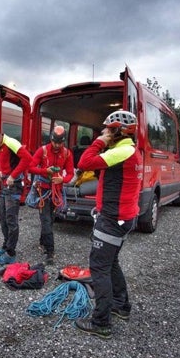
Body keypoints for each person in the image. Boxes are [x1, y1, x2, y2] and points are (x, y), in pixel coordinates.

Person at [73, 110, 143, 339]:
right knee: (111, 263)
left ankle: (101, 322)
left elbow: (85, 162)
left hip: (113, 219)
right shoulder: (126, 151)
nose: (102, 132)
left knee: (99, 267)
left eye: (105, 129)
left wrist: (98, 142)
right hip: (122, 217)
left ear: (116, 131)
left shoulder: (122, 151)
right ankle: (121, 305)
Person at [0, 129, 32, 265]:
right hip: (4, 185)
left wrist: (13, 175)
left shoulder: (11, 143)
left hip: (14, 185)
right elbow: (3, 162)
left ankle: (11, 254)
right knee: (2, 216)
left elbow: (28, 158)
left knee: (11, 219)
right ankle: (6, 246)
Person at [28, 126, 74, 265]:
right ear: (51, 139)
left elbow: (71, 173)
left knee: (51, 220)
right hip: (43, 192)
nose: (57, 145)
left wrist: (63, 180)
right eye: (55, 142)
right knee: (46, 221)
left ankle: (43, 241)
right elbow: (31, 167)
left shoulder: (67, 153)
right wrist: (44, 171)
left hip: (57, 192)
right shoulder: (42, 151)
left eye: (60, 143)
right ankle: (50, 251)